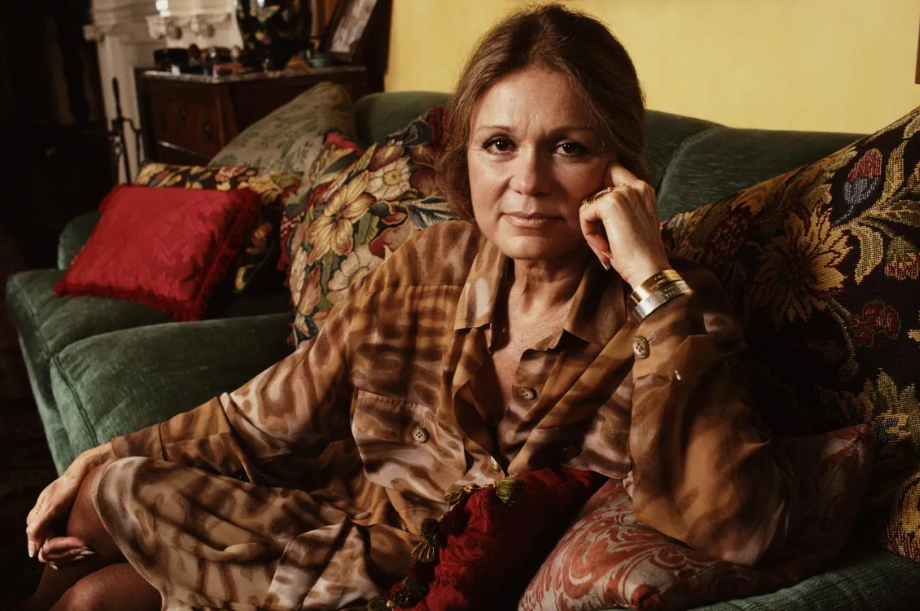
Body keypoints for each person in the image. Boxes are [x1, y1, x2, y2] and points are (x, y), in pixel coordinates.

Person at [22, 4, 795, 610]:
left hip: (411, 584)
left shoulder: (671, 311)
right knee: (96, 530)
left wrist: (650, 278)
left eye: (569, 147)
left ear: (619, 167)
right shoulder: (429, 262)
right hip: (330, 532)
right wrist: (107, 449)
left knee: (106, 545)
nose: (527, 182)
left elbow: (734, 526)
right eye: (499, 144)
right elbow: (267, 416)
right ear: (467, 154)